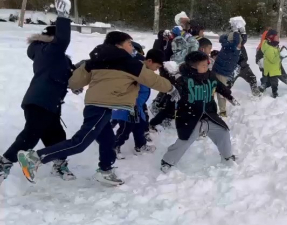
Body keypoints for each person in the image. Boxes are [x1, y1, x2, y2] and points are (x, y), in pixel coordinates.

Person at [16, 31, 178, 186]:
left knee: (107, 141)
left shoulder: (96, 59)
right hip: (101, 108)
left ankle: (105, 170)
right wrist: (171, 88)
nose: (132, 47)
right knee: (80, 142)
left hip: (98, 106)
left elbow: (75, 81)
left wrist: (78, 84)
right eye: (129, 43)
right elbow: (151, 79)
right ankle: (35, 158)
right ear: (119, 45)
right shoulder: (129, 63)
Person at [0, 0, 76, 182]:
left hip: (47, 103)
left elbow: (66, 72)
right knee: (32, 134)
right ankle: (4, 163)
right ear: (53, 38)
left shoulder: (51, 56)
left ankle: (59, 163)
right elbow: (62, 40)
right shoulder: (50, 50)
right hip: (42, 101)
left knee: (57, 135)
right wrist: (63, 17)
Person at [160, 51, 236, 173]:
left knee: (223, 132)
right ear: (193, 66)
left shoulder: (210, 75)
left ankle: (227, 157)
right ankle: (167, 161)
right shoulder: (183, 80)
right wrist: (161, 115)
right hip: (190, 117)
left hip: (209, 115)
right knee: (185, 140)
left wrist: (230, 97)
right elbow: (170, 97)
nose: (207, 67)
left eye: (207, 64)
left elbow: (220, 86)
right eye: (203, 65)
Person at [113, 49, 165, 159]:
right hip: (129, 106)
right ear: (150, 61)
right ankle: (114, 146)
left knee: (140, 126)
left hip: (138, 106)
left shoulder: (146, 71)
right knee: (126, 128)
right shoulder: (137, 70)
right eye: (156, 67)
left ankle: (140, 146)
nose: (156, 70)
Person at [213, 23, 242, 117]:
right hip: (220, 72)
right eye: (239, 42)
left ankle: (222, 110)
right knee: (218, 91)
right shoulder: (231, 48)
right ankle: (221, 110)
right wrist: (235, 32)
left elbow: (223, 38)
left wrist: (236, 32)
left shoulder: (230, 47)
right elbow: (230, 39)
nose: (241, 44)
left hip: (222, 72)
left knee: (219, 91)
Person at [261, 30, 283, 98]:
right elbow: (273, 60)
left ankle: (263, 86)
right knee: (274, 83)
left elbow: (276, 53)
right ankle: (274, 93)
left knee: (270, 81)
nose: (278, 38)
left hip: (273, 68)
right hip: (271, 70)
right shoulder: (269, 48)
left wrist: (281, 50)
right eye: (276, 37)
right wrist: (280, 56)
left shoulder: (274, 45)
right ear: (271, 37)